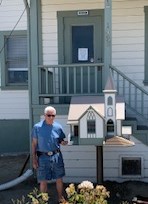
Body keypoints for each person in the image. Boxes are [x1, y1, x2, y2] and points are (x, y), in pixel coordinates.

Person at [31, 106, 68, 202]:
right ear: (44, 115)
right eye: (49, 115)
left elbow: (60, 140)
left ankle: (60, 198)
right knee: (43, 180)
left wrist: (64, 142)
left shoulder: (58, 127)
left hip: (56, 156)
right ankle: (43, 200)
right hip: (42, 157)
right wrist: (34, 160)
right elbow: (34, 144)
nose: (51, 117)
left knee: (59, 178)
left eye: (53, 115)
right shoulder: (37, 127)